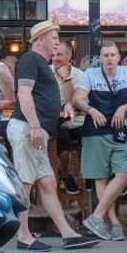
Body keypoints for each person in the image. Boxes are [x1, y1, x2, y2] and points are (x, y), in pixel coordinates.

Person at [6, 19, 100, 251]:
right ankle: (24, 236)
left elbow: (41, 97)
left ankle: (68, 234)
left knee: (47, 183)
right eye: (54, 37)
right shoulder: (29, 59)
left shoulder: (41, 64)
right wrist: (36, 126)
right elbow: (24, 95)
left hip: (35, 131)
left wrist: (63, 106)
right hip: (28, 129)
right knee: (26, 184)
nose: (58, 42)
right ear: (40, 40)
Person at [74, 42, 127, 242]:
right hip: (95, 130)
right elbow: (77, 99)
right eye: (106, 55)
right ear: (100, 58)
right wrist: (91, 110)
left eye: (113, 54)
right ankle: (113, 222)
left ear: (119, 57)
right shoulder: (90, 74)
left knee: (124, 174)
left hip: (119, 131)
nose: (110, 58)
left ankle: (96, 217)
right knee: (101, 178)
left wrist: (123, 108)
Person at [51, 41, 85, 195]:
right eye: (53, 55)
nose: (55, 58)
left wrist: (66, 79)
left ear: (69, 56)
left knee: (90, 134)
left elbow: (76, 101)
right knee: (61, 139)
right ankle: (65, 174)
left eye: (59, 54)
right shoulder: (46, 72)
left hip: (77, 119)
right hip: (56, 121)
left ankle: (88, 173)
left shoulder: (80, 75)